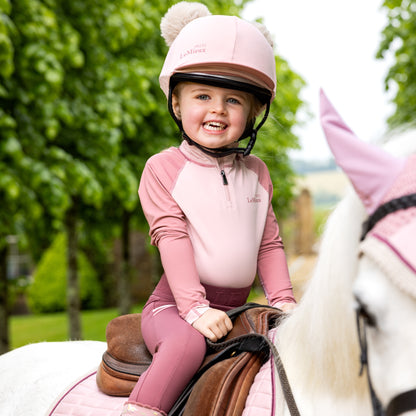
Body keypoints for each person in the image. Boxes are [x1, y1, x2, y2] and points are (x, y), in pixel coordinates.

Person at [121, 2, 296, 415]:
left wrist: (284, 301)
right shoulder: (164, 168)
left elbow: (268, 244)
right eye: (202, 95)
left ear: (253, 112)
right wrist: (195, 308)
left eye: (233, 100)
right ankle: (142, 410)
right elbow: (172, 237)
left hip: (239, 306)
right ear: (178, 105)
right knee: (184, 345)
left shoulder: (257, 172)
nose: (217, 109)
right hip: (175, 306)